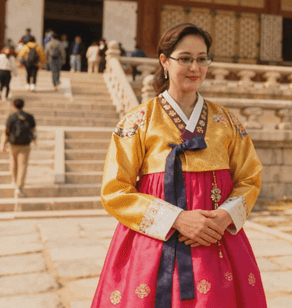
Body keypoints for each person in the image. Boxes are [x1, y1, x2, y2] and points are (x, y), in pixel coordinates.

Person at [91, 23, 267, 307]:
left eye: (201, 59)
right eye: (185, 58)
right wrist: (176, 219)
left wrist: (223, 217)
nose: (194, 67)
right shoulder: (138, 121)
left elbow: (250, 178)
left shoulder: (227, 122)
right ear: (165, 61)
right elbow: (115, 190)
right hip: (154, 246)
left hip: (216, 240)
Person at [1, 98, 36, 198]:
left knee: (13, 161)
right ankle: (19, 187)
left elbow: (6, 132)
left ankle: (14, 179)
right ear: (23, 106)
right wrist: (34, 139)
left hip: (13, 144)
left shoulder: (11, 117)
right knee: (23, 165)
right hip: (25, 144)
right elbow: (34, 130)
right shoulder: (29, 117)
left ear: (14, 106)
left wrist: (3, 144)